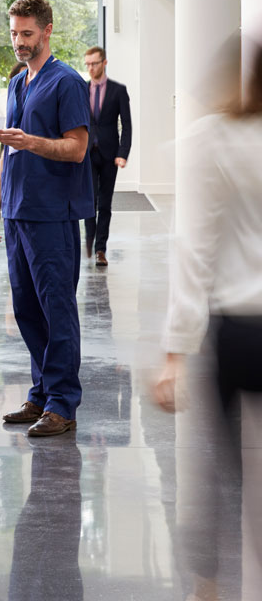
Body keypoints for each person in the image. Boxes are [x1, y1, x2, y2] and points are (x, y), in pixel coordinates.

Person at [153, 46, 262, 601]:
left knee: (222, 473)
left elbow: (195, 249)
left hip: (238, 330)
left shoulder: (212, 138)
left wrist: (175, 351)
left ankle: (210, 586)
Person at [0, 0, 93, 437]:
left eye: (27, 34)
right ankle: (42, 393)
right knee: (27, 308)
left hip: (53, 213)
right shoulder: (16, 84)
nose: (19, 42)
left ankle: (63, 402)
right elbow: (8, 150)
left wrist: (34, 142)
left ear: (47, 31)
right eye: (13, 33)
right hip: (16, 210)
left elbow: (78, 147)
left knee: (56, 308)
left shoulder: (66, 83)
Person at [83, 46, 132, 267]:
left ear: (104, 63)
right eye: (88, 64)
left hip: (110, 155)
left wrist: (123, 153)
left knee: (105, 204)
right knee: (88, 201)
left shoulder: (118, 91)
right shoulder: (81, 90)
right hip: (87, 154)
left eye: (94, 63)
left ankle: (101, 248)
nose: (91, 68)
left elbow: (127, 125)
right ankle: (89, 241)